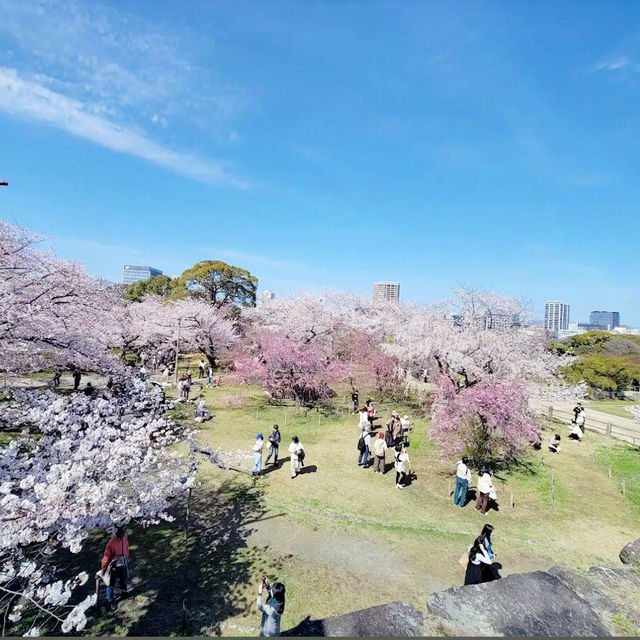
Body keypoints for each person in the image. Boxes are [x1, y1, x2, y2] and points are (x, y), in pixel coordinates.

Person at [100, 526, 130, 610]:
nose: (122, 534)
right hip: (114, 566)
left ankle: (124, 593)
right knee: (111, 584)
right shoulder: (111, 544)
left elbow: (126, 545)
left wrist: (127, 556)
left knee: (123, 578)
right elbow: (105, 559)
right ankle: (111, 600)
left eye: (123, 532)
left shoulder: (124, 537)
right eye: (120, 533)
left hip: (123, 562)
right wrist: (104, 570)